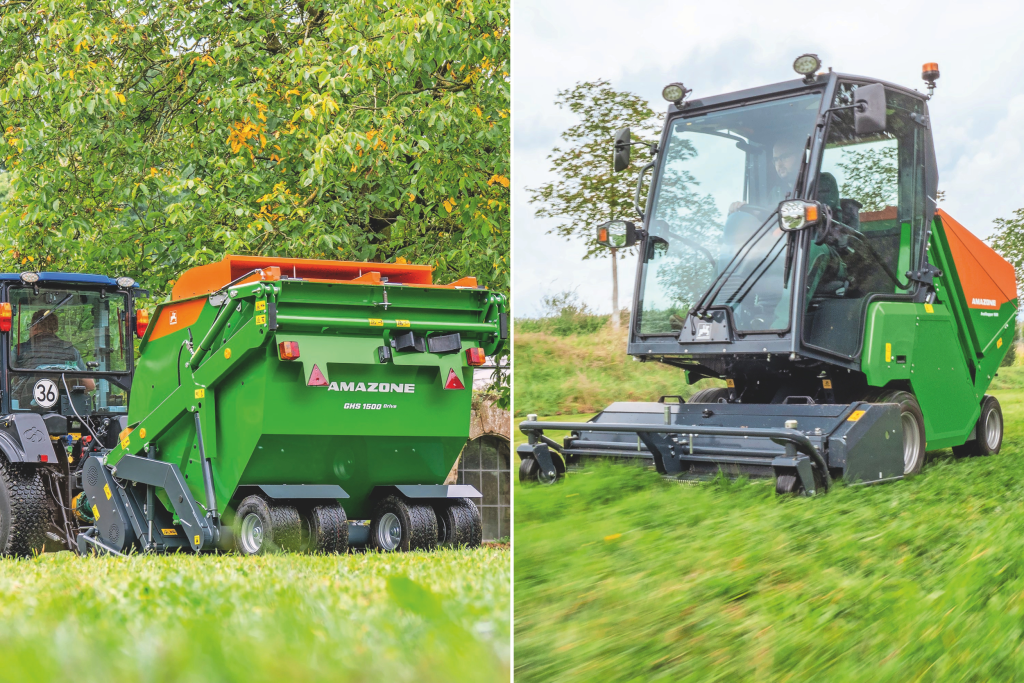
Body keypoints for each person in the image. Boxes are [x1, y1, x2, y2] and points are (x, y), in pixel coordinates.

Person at [16, 310, 95, 392]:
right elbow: (90, 385)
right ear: (56, 329)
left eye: (30, 326)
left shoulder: (20, 350)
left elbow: (5, 376)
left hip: (27, 403)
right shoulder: (71, 351)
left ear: (35, 326)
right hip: (66, 403)